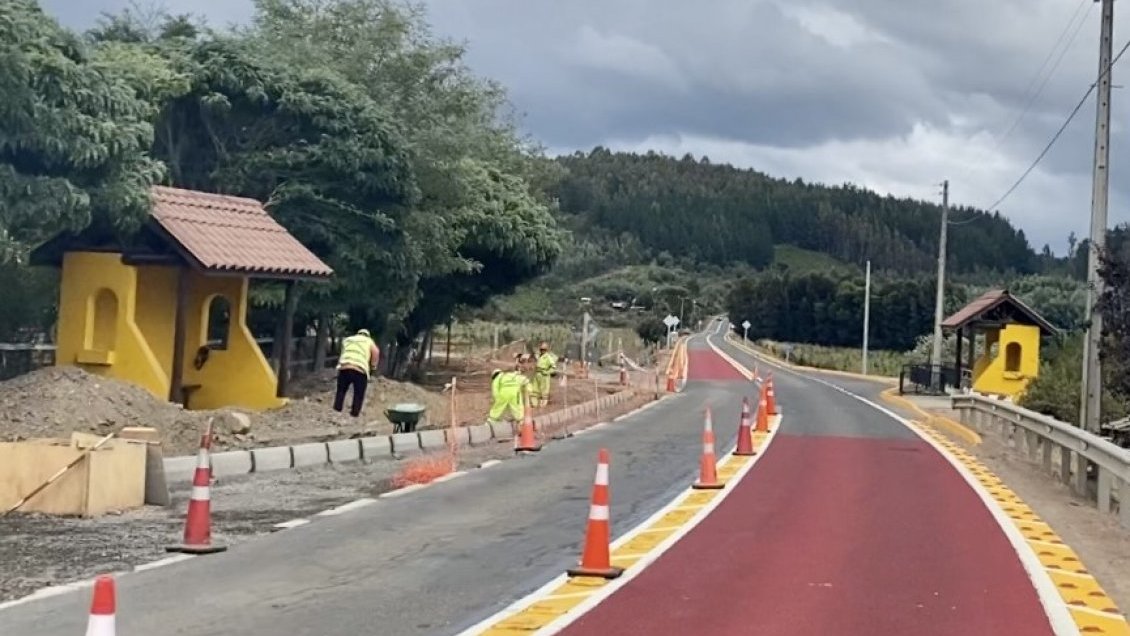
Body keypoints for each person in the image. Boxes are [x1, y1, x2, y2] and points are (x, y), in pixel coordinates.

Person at [333, 328, 380, 417]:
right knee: (359, 393)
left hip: (345, 366)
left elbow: (343, 351)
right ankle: (355, 413)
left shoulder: (348, 339)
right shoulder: (369, 341)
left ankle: (337, 408)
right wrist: (373, 367)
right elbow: (376, 352)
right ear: (367, 335)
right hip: (360, 368)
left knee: (341, 390)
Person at [487, 360, 529, 426]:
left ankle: (490, 422)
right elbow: (525, 380)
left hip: (503, 394)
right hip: (514, 393)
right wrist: (528, 389)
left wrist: (497, 398)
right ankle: (520, 422)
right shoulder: (512, 375)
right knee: (517, 407)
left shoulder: (498, 378)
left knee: (497, 408)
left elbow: (495, 389)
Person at [529, 342, 559, 408]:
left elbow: (553, 367)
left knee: (544, 391)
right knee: (534, 390)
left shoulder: (548, 357)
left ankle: (542, 405)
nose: (542, 351)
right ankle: (534, 404)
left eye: (543, 349)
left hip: (544, 376)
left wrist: (547, 372)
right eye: (541, 349)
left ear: (546, 350)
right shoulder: (539, 356)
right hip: (537, 374)